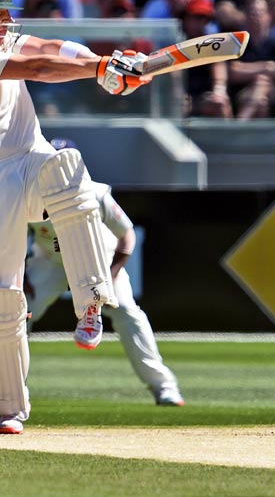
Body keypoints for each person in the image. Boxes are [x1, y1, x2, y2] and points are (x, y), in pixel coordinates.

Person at [0, 0, 153, 435]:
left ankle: (93, 302)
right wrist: (101, 72)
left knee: (68, 165)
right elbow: (36, 69)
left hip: (31, 160)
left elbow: (49, 49)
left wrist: (105, 60)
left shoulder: (1, 41)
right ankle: (8, 410)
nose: (7, 22)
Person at [17, 138, 184, 407]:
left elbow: (126, 235)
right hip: (51, 262)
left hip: (98, 263)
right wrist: (20, 276)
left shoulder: (96, 194)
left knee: (129, 315)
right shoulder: (29, 197)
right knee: (18, 310)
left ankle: (163, 387)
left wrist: (113, 272)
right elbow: (14, 239)